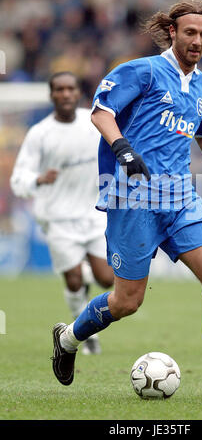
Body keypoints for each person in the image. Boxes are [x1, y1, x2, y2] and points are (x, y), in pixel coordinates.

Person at [51, 0, 202, 398]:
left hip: (181, 197)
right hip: (133, 198)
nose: (197, 41)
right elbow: (100, 112)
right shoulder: (143, 71)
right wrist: (123, 149)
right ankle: (67, 339)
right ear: (172, 32)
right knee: (126, 301)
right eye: (190, 32)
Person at [10, 71, 114, 355]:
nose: (66, 94)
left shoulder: (92, 124)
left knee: (108, 279)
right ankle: (84, 335)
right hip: (57, 219)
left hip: (94, 214)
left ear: (78, 93)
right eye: (60, 89)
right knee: (73, 281)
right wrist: (38, 180)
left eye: (71, 88)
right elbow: (17, 179)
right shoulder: (40, 134)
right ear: (52, 95)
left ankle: (88, 285)